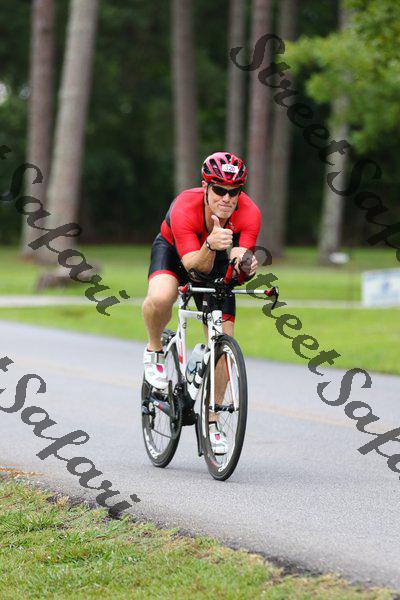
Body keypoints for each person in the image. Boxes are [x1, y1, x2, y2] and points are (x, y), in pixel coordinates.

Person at [142, 151, 261, 454]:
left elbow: (238, 258)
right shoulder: (185, 205)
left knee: (224, 342)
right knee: (162, 296)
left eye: (234, 191)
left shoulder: (250, 213)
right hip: (176, 253)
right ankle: (155, 349)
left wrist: (245, 262)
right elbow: (193, 266)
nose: (227, 198)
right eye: (219, 190)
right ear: (205, 187)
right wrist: (210, 243)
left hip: (215, 256)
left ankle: (212, 419)